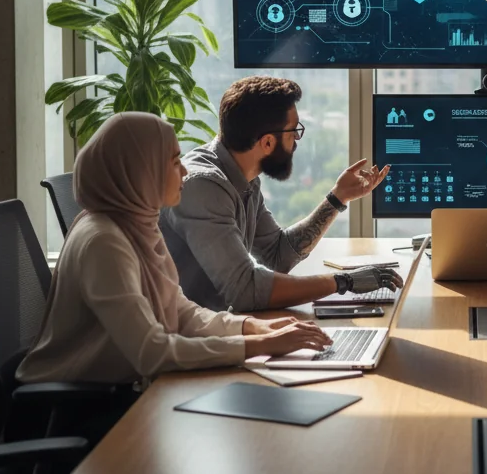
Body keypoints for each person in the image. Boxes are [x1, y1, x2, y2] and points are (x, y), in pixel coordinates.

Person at [17, 112, 333, 393]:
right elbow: (152, 352)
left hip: (125, 388)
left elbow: (181, 312)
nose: (184, 172)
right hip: (77, 406)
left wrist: (253, 327)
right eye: (173, 161)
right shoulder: (103, 241)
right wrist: (260, 345)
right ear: (140, 171)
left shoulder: (138, 225)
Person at [161, 76, 400, 312]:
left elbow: (276, 255)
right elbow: (245, 290)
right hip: (186, 340)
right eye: (293, 131)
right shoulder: (203, 186)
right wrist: (343, 281)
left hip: (217, 327)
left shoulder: (245, 177)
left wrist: (338, 198)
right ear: (266, 143)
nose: (297, 139)